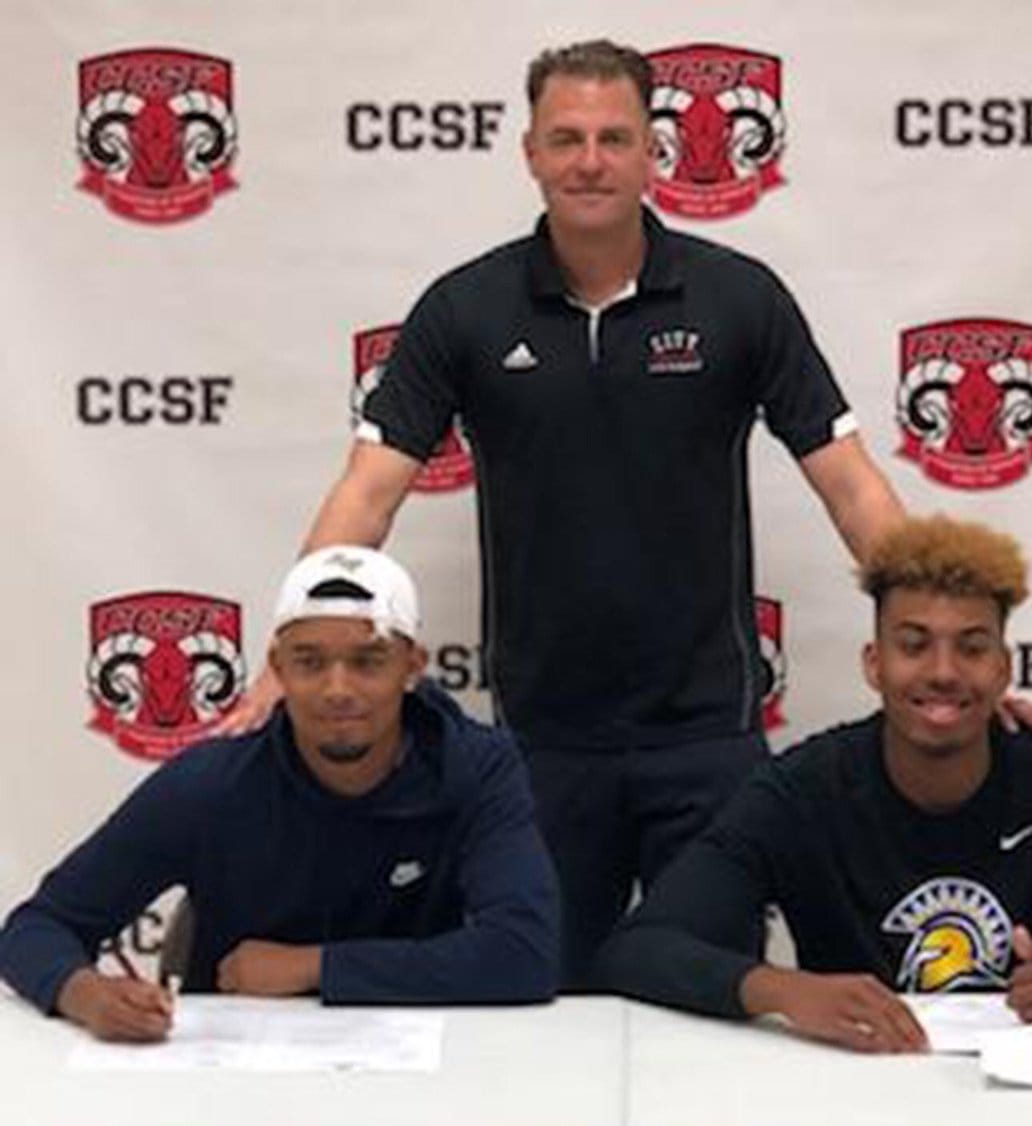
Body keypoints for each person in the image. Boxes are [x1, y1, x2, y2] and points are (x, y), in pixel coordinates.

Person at [217, 38, 910, 986]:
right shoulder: (464, 309)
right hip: (540, 749)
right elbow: (368, 493)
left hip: (707, 740)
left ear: (652, 152)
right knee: (535, 1013)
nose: (590, 160)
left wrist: (942, 632)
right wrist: (284, 650)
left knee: (712, 1006)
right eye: (568, 138)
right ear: (530, 152)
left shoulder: (739, 299)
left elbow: (852, 486)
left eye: (614, 137)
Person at [596, 515, 1032, 1051]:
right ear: (874, 663)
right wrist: (782, 990)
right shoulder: (804, 790)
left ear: (1003, 668)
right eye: (914, 645)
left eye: (971, 648)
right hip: (861, 1098)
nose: (942, 672)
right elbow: (640, 949)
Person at [0, 546, 559, 1042]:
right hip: (235, 1079)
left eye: (368, 662)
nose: (338, 689)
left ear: (412, 667)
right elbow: (36, 927)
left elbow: (524, 954)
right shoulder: (211, 785)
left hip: (430, 1070)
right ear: (278, 669)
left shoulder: (476, 768)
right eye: (310, 663)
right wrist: (82, 993)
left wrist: (313, 968)